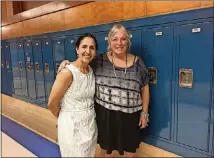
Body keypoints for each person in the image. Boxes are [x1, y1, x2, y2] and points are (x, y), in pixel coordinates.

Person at [58, 24, 150, 157]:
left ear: (128, 41)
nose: (119, 43)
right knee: (107, 153)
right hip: (106, 115)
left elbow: (145, 87)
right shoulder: (99, 60)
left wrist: (144, 113)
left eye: (123, 39)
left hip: (131, 115)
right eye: (115, 39)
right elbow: (81, 64)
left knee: (130, 153)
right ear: (109, 41)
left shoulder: (138, 62)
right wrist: (67, 63)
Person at [48, 33, 98, 157]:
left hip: (90, 127)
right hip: (72, 129)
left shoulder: (90, 71)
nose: (88, 51)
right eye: (84, 47)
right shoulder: (67, 73)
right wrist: (63, 117)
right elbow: (52, 103)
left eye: (92, 48)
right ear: (77, 49)